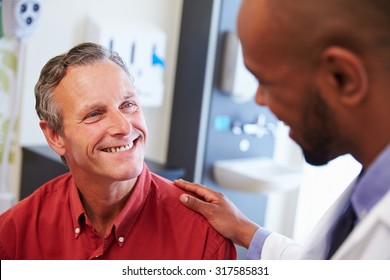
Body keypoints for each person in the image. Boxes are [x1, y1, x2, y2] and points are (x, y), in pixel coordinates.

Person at [174, 0, 390, 259]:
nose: (259, 100)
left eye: (266, 82)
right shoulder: (369, 191)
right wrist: (243, 230)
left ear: (342, 78)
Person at [0, 42, 236, 260]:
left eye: (128, 105)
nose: (124, 127)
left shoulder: (205, 237)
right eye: (94, 114)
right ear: (55, 136)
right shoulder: (14, 234)